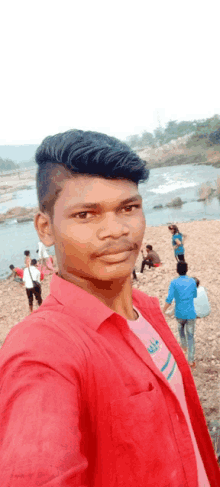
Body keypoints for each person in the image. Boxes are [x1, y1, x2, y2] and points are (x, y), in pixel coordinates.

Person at [0, 130, 219, 486]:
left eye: (128, 208)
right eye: (86, 215)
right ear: (46, 228)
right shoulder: (42, 350)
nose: (115, 230)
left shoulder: (146, 309)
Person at [163, 261, 197, 368]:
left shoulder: (173, 283)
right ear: (187, 269)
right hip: (190, 313)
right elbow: (194, 295)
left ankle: (183, 346)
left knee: (181, 330)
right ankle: (191, 361)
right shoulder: (192, 281)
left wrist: (163, 310)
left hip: (179, 313)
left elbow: (169, 300)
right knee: (191, 336)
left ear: (177, 270)